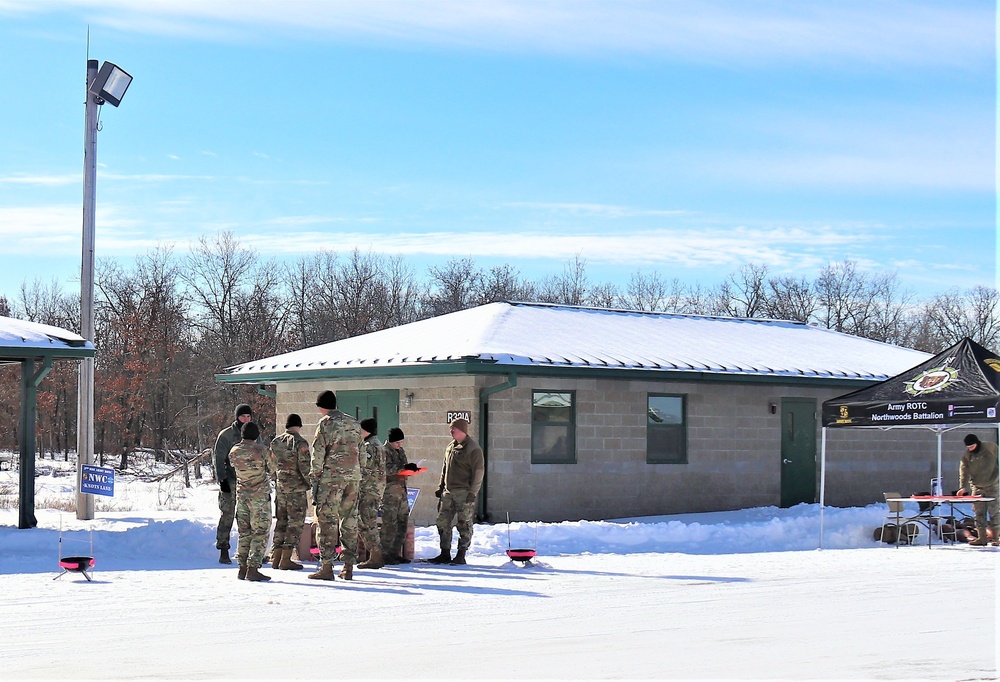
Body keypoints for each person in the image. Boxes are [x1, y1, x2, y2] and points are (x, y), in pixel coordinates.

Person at [309, 390, 363, 581]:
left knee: (327, 521)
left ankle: (327, 566)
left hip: (331, 478)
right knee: (349, 519)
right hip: (353, 477)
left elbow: (318, 453)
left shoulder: (325, 423)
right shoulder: (354, 423)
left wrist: (314, 478)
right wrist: (358, 473)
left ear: (321, 407)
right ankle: (348, 566)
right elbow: (362, 452)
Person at [428, 418, 484, 565]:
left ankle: (461, 554)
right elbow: (445, 468)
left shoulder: (473, 449)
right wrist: (440, 487)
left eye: (454, 429)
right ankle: (445, 552)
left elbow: (479, 472)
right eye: (451, 429)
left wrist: (473, 492)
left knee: (464, 523)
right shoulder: (450, 447)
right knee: (442, 522)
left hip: (464, 492)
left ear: (463, 431)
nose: (451, 432)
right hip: (448, 492)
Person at [229, 421, 276, 581]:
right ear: (257, 435)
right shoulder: (261, 450)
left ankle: (242, 567)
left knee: (244, 532)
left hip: (242, 496)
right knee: (261, 531)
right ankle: (253, 567)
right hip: (259, 497)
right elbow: (272, 468)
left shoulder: (234, 451)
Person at [268, 413, 311, 570]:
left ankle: (276, 557)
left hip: (280, 489)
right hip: (296, 490)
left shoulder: (276, 442)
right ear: (298, 426)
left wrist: (277, 479)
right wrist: (312, 483)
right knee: (295, 523)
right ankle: (286, 558)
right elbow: (305, 467)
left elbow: (271, 466)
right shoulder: (300, 442)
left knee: (281, 521)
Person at [213, 403, 253, 564]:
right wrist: (222, 479)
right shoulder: (227, 435)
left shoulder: (253, 433)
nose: (246, 419)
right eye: (243, 416)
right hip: (230, 480)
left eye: (248, 416)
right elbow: (218, 459)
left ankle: (248, 550)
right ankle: (223, 548)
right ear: (237, 417)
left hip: (249, 482)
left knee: (247, 517)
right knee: (227, 514)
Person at [381, 427, 418, 564]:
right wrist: (403, 468)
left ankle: (394, 552)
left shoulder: (400, 451)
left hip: (402, 491)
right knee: (389, 524)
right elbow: (386, 469)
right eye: (397, 442)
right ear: (391, 441)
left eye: (401, 442)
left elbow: (403, 466)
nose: (399, 445)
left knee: (402, 522)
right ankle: (385, 554)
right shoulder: (384, 452)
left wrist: (410, 468)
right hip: (390, 492)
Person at [958, 434, 999, 546]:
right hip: (977, 487)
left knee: (994, 512)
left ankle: (996, 538)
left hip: (993, 485)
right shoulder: (967, 455)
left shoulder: (991, 448)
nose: (970, 448)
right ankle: (982, 538)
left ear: (977, 443)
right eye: (968, 447)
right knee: (979, 513)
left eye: (972, 446)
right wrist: (962, 486)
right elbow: (964, 471)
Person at [356, 418, 386, 570]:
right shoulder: (378, 444)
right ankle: (375, 554)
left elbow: (363, 468)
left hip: (369, 490)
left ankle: (376, 556)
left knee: (367, 522)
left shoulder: (369, 446)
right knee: (367, 521)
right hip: (374, 489)